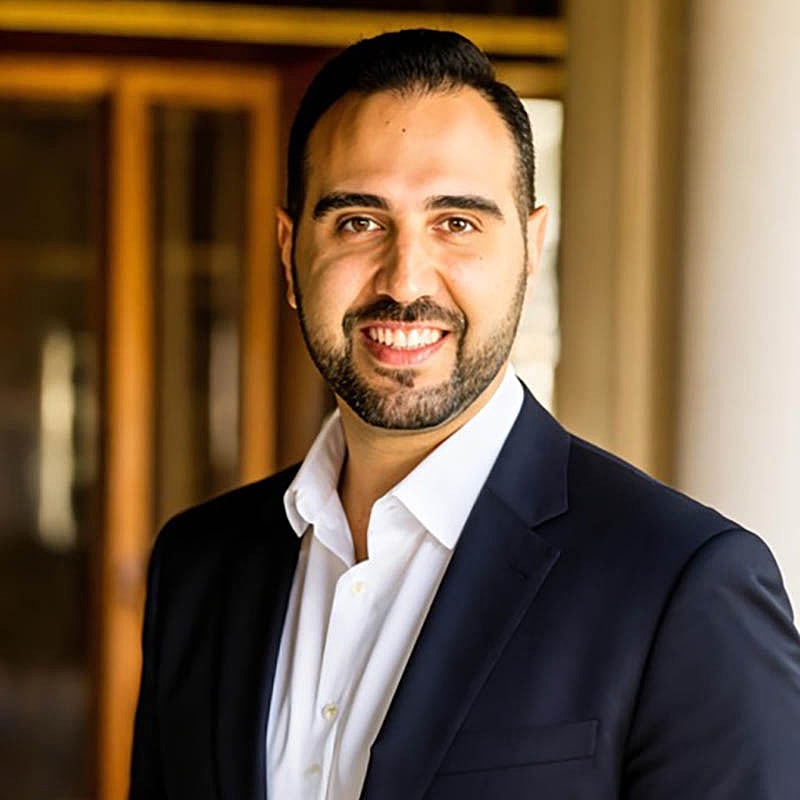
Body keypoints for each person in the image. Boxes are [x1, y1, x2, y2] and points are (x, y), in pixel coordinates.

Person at [129, 29, 800, 800]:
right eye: (357, 221)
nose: (405, 278)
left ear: (530, 247)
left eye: (457, 222)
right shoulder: (198, 566)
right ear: (289, 254)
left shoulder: (682, 583)